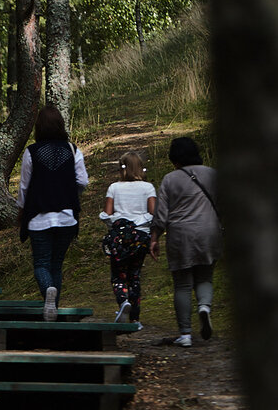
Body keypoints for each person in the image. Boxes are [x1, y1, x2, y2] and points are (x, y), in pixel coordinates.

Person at [16, 106, 89, 322]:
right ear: (60, 125)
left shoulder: (31, 152)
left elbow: (24, 187)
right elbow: (83, 181)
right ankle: (52, 311)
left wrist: (21, 210)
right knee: (56, 264)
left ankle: (48, 291)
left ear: (38, 127)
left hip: (39, 218)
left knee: (41, 264)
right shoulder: (73, 149)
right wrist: (70, 194)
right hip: (67, 217)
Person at [150, 137, 221, 347]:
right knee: (205, 276)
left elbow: (161, 214)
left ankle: (186, 334)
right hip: (210, 231)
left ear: (175, 158)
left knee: (182, 284)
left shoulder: (170, 179)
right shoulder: (213, 174)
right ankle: (204, 307)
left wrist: (154, 238)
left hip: (181, 235)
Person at [99, 152, 156, 330]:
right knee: (135, 276)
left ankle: (123, 301)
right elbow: (154, 213)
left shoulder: (114, 188)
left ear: (121, 168)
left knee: (118, 275)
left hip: (120, 238)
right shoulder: (148, 187)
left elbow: (107, 214)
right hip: (140, 237)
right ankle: (135, 319)